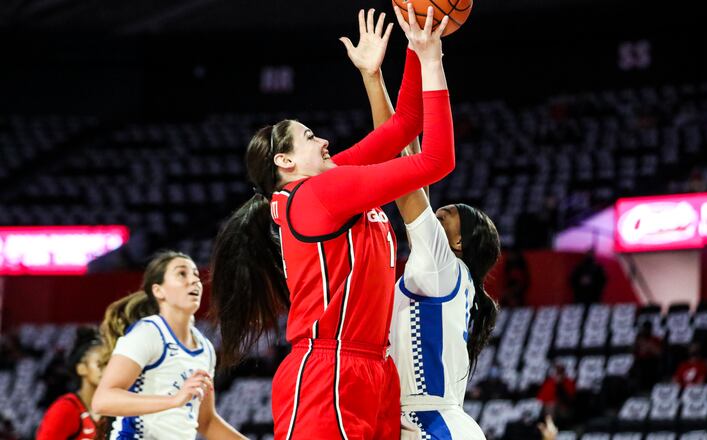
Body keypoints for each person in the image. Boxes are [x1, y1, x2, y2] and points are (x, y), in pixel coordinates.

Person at [210, 5, 454, 439]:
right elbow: (436, 159)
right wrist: (432, 57)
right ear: (284, 161)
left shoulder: (323, 187)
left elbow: (404, 126)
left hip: (372, 367)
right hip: (330, 371)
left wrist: (413, 48)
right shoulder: (321, 194)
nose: (324, 141)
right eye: (309, 137)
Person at [349, 10, 499, 438]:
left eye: (449, 213)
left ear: (458, 243)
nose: (440, 209)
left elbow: (402, 162)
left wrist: (422, 61)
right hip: (436, 423)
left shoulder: (441, 267)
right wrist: (380, 74)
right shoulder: (449, 275)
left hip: (431, 425)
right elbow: (409, 160)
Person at [92, 251, 245, 439]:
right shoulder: (148, 333)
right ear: (159, 291)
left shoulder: (205, 349)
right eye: (182, 274)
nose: (194, 281)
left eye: (196, 275)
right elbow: (103, 400)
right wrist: (174, 400)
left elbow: (207, 422)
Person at [37, 327, 103, 439]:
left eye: (110, 363)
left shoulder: (115, 410)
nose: (108, 369)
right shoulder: (64, 409)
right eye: (100, 364)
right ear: (81, 368)